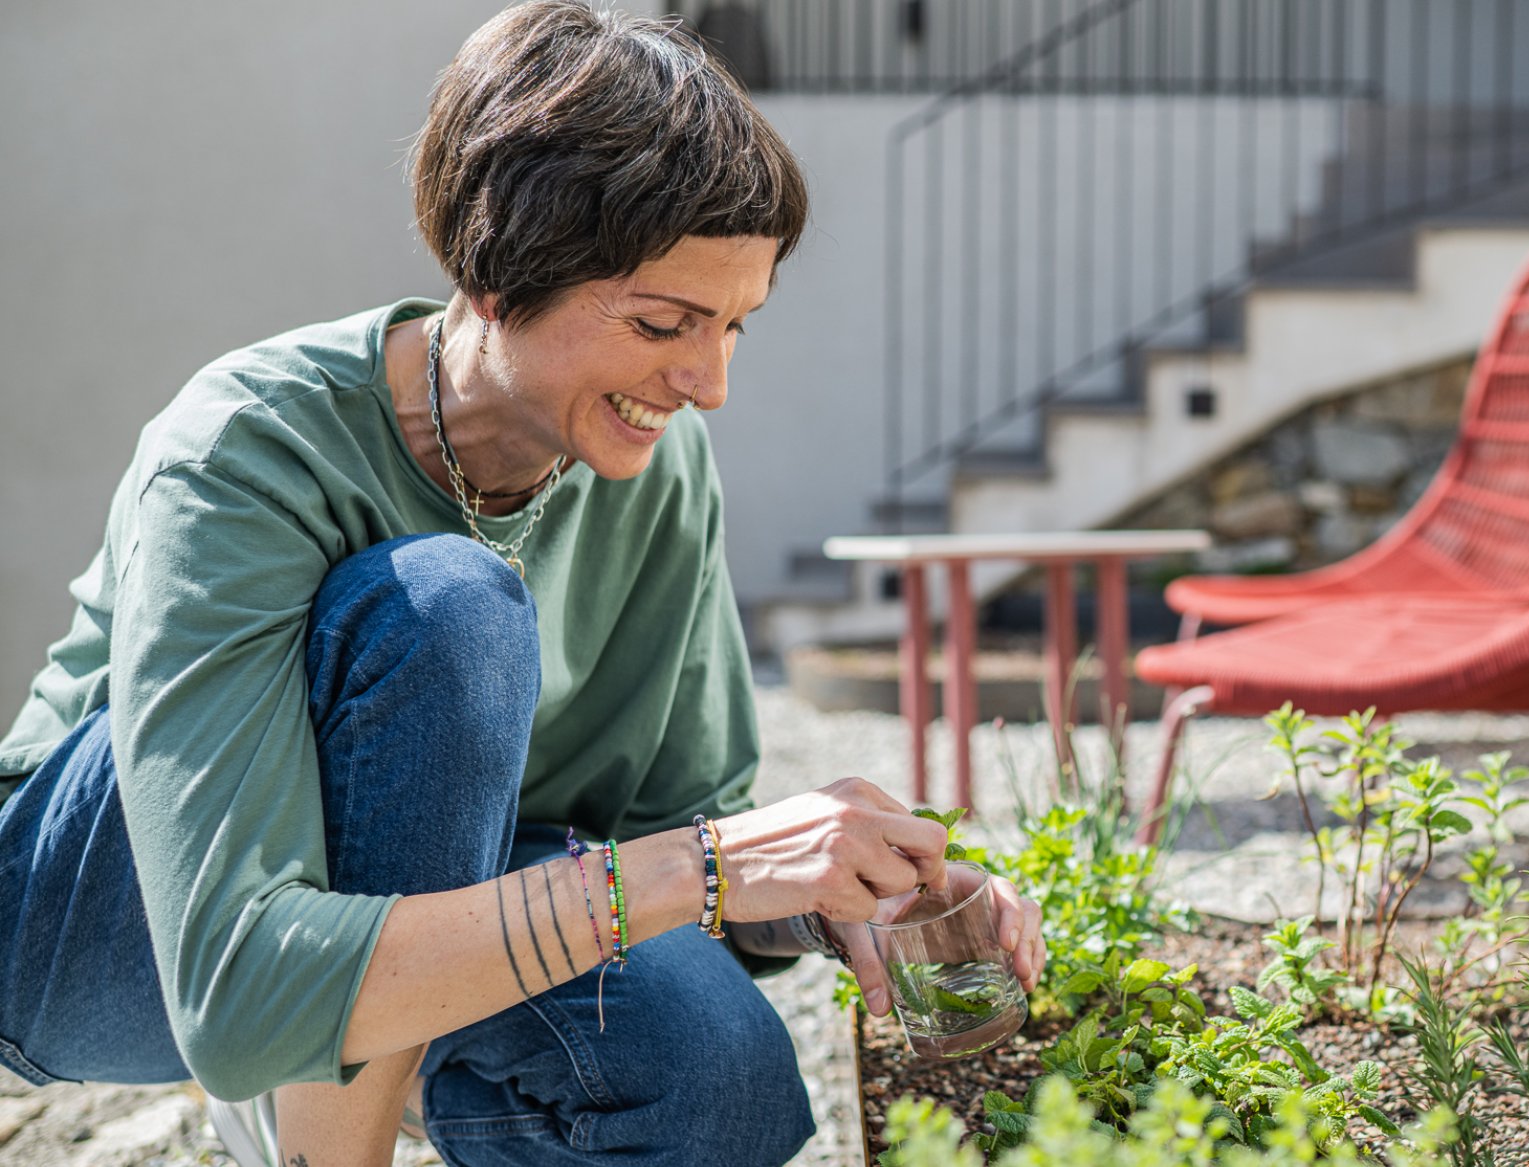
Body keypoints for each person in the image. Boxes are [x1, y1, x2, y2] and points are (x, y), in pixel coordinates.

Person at [0, 4, 1043, 1165]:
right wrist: (704, 869)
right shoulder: (246, 450)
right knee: (446, 607)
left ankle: (379, 1054)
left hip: (454, 908)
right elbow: (238, 983)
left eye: (737, 328)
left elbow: (673, 845)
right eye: (664, 323)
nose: (706, 383)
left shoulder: (653, 466)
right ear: (500, 276)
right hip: (95, 936)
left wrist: (829, 893)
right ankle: (318, 1139)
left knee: (715, 1081)